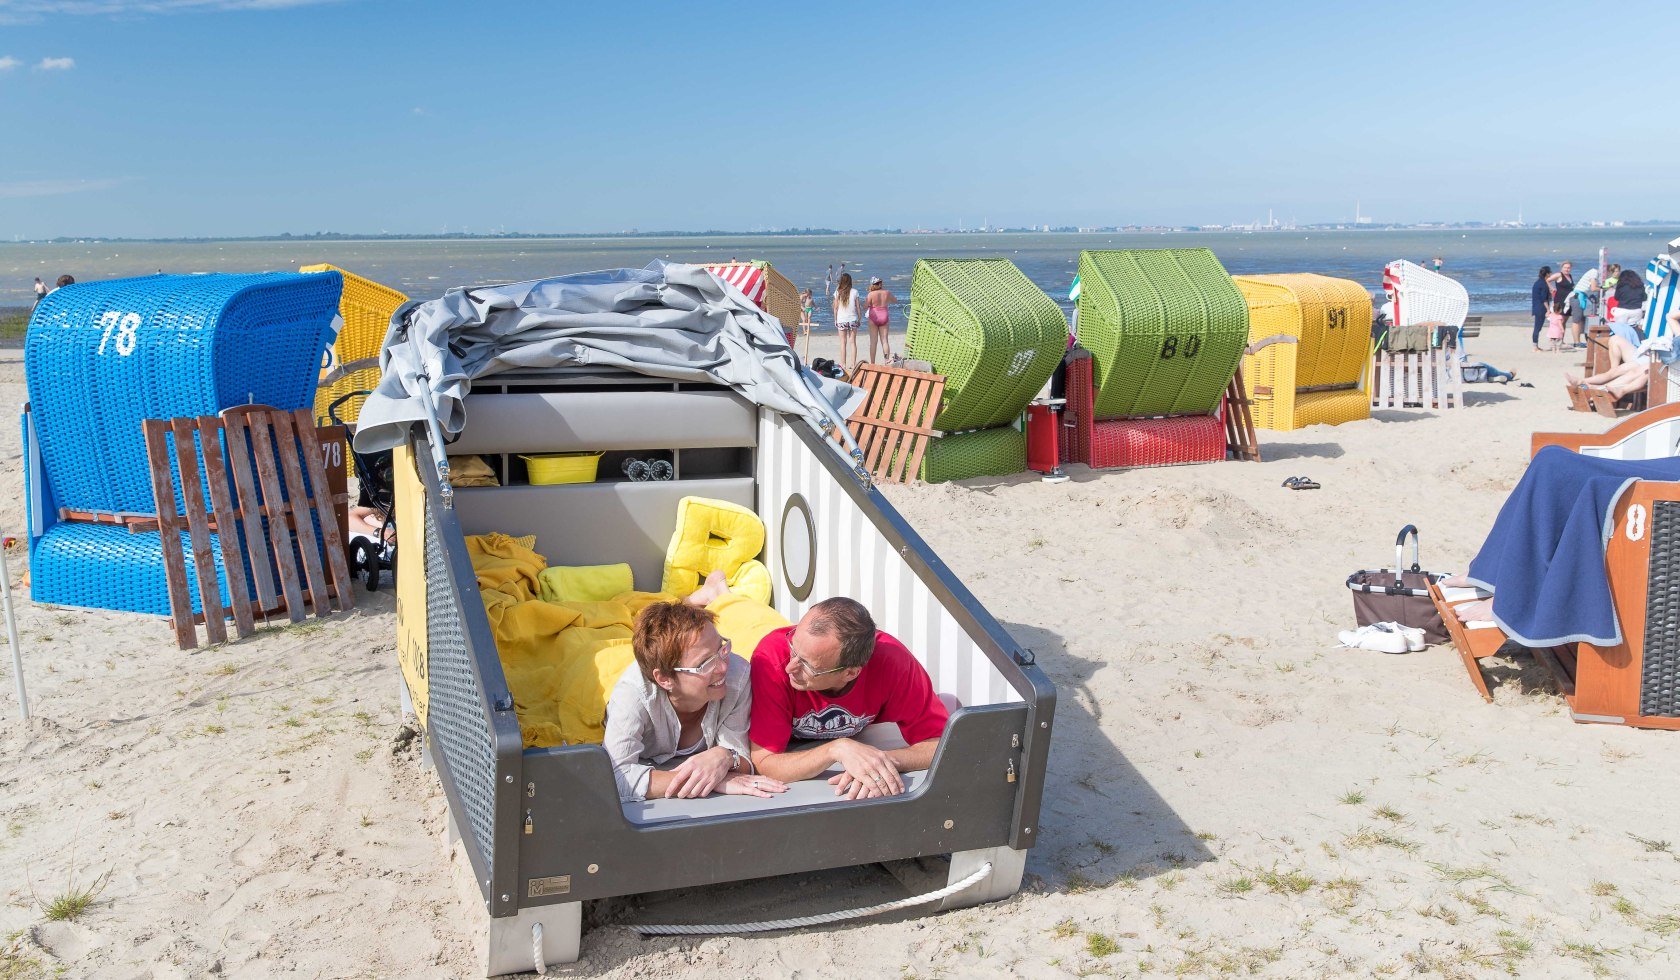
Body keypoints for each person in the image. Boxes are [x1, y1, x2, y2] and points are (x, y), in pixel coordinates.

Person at [748, 597, 949, 800]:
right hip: (749, 634)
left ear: (850, 673)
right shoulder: (772, 658)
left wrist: (879, 761)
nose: (790, 667)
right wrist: (836, 749)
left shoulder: (893, 663)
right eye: (793, 647)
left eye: (808, 666)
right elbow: (763, 762)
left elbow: (943, 745)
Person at [602, 598, 790, 803]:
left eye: (722, 649)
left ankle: (716, 593)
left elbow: (742, 756)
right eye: (705, 663)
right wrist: (709, 781)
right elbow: (614, 777)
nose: (722, 668)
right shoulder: (633, 694)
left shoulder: (738, 675)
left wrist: (726, 756)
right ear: (664, 679)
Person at [864, 276, 897, 365]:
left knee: (873, 341)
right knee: (885, 340)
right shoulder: (887, 293)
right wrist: (886, 301)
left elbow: (865, 306)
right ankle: (886, 361)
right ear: (880, 283)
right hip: (884, 316)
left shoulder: (870, 294)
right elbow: (895, 301)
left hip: (873, 316)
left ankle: (872, 363)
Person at [832, 272, 861, 370]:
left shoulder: (837, 292)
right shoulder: (855, 291)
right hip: (853, 319)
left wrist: (835, 319)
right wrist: (859, 318)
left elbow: (835, 308)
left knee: (842, 343)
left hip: (841, 319)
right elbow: (857, 307)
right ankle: (853, 364)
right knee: (853, 342)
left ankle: (843, 364)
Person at [1612, 264, 1647, 335]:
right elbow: (1644, 298)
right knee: (1634, 331)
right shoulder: (1640, 286)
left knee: (1620, 331)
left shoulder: (1621, 286)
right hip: (1636, 311)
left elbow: (1616, 297)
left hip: (1622, 311)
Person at [1530, 266, 1553, 351]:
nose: (1551, 274)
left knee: (1538, 327)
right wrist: (1548, 309)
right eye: (1550, 272)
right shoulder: (1543, 284)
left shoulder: (1538, 282)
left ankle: (1535, 345)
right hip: (1541, 308)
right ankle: (1535, 346)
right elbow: (1544, 299)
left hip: (1536, 307)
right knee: (1537, 327)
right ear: (1547, 274)